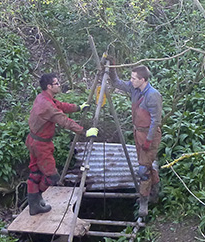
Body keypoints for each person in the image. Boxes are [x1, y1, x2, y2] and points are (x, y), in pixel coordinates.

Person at [26, 73, 98, 215]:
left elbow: (61, 106)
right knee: (52, 177)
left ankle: (34, 203)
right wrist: (84, 132)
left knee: (35, 172)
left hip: (34, 141)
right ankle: (36, 199)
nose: (59, 85)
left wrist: (78, 107)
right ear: (49, 86)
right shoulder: (47, 106)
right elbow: (64, 120)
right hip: (41, 145)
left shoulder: (44, 98)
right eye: (56, 83)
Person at [110, 64, 163, 217]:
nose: (131, 80)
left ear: (142, 79)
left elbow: (155, 121)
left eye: (134, 78)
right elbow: (117, 83)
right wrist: (111, 69)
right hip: (138, 133)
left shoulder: (153, 95)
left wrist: (148, 139)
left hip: (149, 134)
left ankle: (144, 201)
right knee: (145, 164)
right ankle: (155, 191)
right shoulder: (134, 88)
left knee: (143, 169)